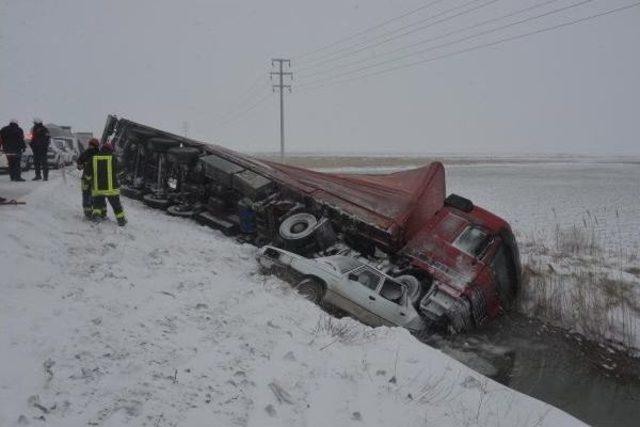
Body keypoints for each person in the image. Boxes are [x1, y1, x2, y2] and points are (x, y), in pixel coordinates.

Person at [91, 141, 126, 226]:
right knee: (116, 205)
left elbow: (89, 170)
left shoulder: (94, 158)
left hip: (98, 188)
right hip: (111, 188)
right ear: (110, 149)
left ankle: (96, 217)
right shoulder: (113, 158)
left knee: (97, 205)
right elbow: (120, 169)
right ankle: (121, 221)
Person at [76, 138, 100, 218]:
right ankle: (93, 212)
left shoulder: (85, 153)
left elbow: (79, 163)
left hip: (86, 179)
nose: (90, 146)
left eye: (91, 145)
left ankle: (88, 212)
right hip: (95, 180)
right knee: (94, 195)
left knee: (86, 195)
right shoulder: (99, 154)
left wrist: (81, 166)